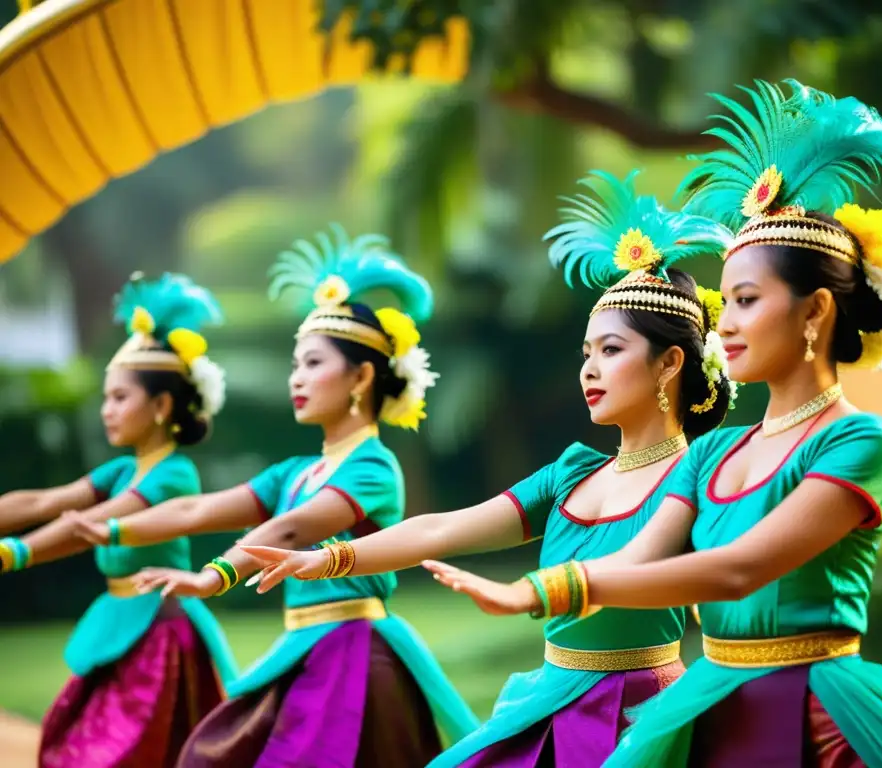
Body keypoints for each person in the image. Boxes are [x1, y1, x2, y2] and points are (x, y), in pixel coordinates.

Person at [417, 81, 882, 767]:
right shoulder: (712, 450)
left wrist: (544, 589)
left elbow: (737, 570)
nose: (729, 323)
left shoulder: (860, 442)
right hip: (710, 703)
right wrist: (553, 589)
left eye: (746, 300)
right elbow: (638, 558)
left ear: (814, 312)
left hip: (819, 713)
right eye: (730, 302)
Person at [240, 172, 736, 767]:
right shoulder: (571, 474)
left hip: (639, 720)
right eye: (585, 353)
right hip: (550, 702)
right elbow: (441, 528)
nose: (589, 370)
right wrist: (329, 559)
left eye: (610, 351)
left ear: (670, 363)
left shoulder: (699, 473)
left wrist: (522, 594)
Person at [68, 224, 477, 767]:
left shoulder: (372, 466)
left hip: (352, 658)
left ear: (360, 377)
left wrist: (212, 577)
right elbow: (196, 509)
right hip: (304, 653)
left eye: (312, 363)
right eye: (295, 365)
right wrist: (114, 529)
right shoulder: (295, 472)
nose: (296, 379)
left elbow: (291, 529)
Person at [0, 272, 236, 768]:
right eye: (107, 398)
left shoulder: (173, 473)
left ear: (161, 405)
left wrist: (14, 552)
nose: (107, 410)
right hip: (120, 625)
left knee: (123, 754)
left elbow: (96, 522)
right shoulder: (124, 469)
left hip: (160, 636)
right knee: (74, 744)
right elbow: (45, 502)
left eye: (120, 398)